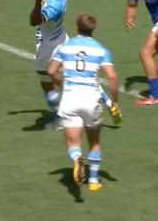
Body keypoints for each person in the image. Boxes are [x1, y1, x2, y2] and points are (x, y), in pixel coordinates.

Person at [47, 14, 121, 192]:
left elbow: (51, 70)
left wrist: (60, 83)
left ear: (77, 27)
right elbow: (111, 76)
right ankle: (94, 181)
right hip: (91, 99)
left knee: (73, 142)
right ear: (93, 29)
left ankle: (77, 158)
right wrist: (115, 102)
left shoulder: (65, 47)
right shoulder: (101, 50)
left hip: (71, 98)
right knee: (94, 141)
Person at [6, 0, 69, 120]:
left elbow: (34, 21)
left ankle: (61, 108)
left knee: (44, 75)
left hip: (49, 45)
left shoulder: (53, 6)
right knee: (57, 74)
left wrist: (38, 1)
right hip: (61, 37)